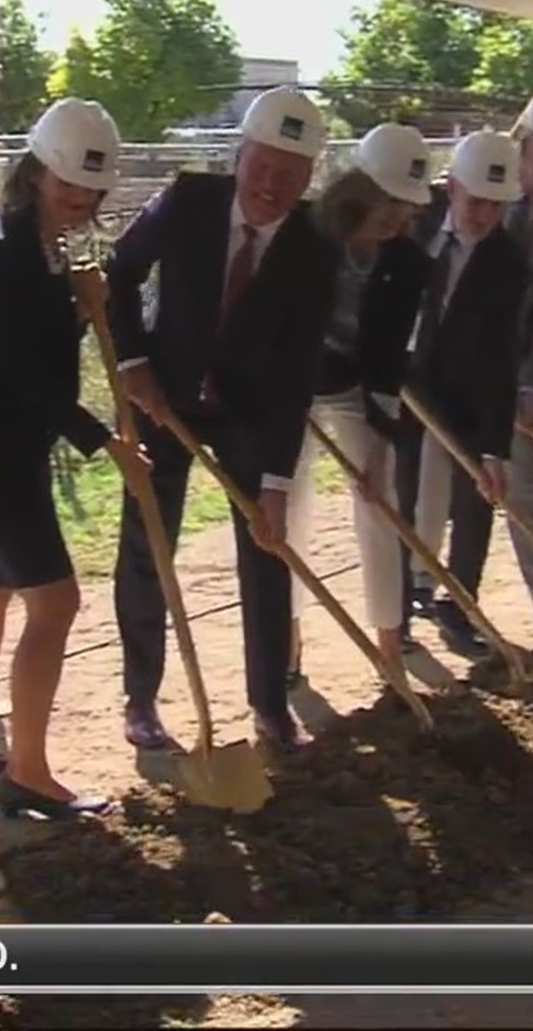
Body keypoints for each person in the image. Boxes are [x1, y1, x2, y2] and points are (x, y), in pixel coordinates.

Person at [104, 85, 340, 753]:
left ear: (308, 178)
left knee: (267, 550)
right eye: (262, 168)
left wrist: (275, 477)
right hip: (164, 396)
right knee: (148, 547)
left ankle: (270, 707)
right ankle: (141, 701)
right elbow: (117, 275)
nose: (272, 186)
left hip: (251, 410)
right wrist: (131, 365)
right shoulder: (185, 203)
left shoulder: (316, 244)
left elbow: (298, 369)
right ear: (240, 157)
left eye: (289, 176)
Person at [0, 99, 149, 820]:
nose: (82, 198)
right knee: (55, 602)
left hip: (4, 448)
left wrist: (78, 298)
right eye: (69, 182)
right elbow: (23, 372)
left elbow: (36, 344)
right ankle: (28, 771)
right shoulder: (0, 253)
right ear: (36, 173)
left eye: (93, 189)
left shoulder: (39, 247)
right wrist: (107, 442)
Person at [407, 89, 533, 642]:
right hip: (427, 368)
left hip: (501, 365)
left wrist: (529, 389)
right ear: (529, 139)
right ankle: (417, 592)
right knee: (421, 485)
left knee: (505, 481)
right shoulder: (451, 196)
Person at [281, 121, 432, 689]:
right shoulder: (303, 235)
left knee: (379, 499)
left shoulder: (409, 264)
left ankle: (389, 644)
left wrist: (383, 439)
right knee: (288, 508)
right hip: (290, 383)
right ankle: (286, 639)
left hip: (352, 384)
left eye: (406, 204)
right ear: (357, 189)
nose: (395, 215)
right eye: (386, 200)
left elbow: (390, 354)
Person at [396, 130, 529, 657]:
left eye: (496, 206)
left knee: (478, 495)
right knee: (405, 494)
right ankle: (401, 606)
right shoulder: (414, 216)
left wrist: (495, 447)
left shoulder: (509, 262)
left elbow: (502, 357)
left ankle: (459, 606)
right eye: (475, 202)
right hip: (402, 374)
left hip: (467, 386)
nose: (483, 215)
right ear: (451, 188)